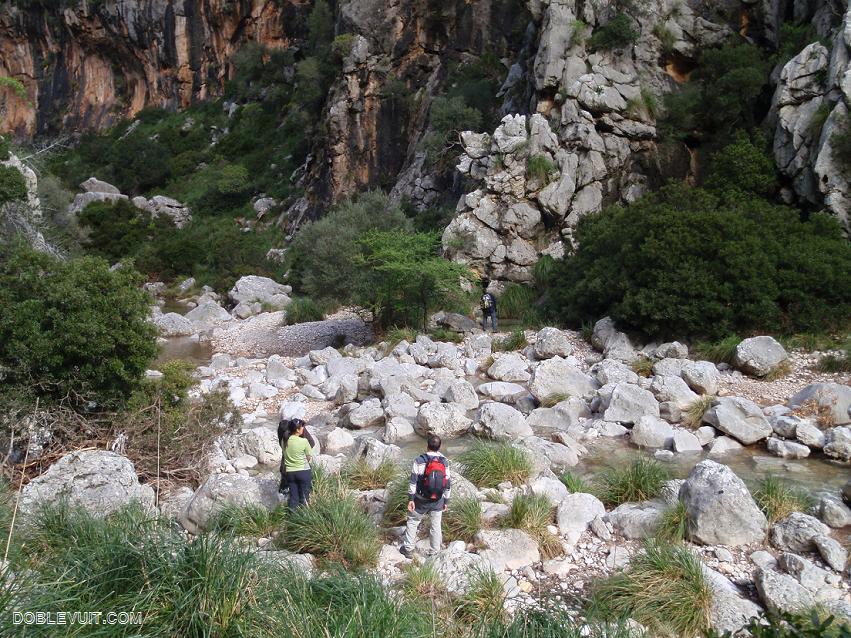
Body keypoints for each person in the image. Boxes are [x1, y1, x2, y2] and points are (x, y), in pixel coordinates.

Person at [400, 434, 451, 558]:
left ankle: (408, 549)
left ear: (427, 445)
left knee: (413, 521)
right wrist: (446, 501)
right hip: (438, 500)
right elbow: (448, 483)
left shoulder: (419, 460)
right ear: (440, 447)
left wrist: (411, 499)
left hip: (421, 499)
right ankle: (434, 551)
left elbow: (413, 481)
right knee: (435, 525)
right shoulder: (444, 462)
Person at [279, 418, 313, 509]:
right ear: (297, 430)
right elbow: (309, 456)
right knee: (304, 498)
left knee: (293, 498)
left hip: (290, 473)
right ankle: (303, 519)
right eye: (302, 427)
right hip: (303, 471)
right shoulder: (304, 441)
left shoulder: (284, 441)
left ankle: (292, 518)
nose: (303, 428)